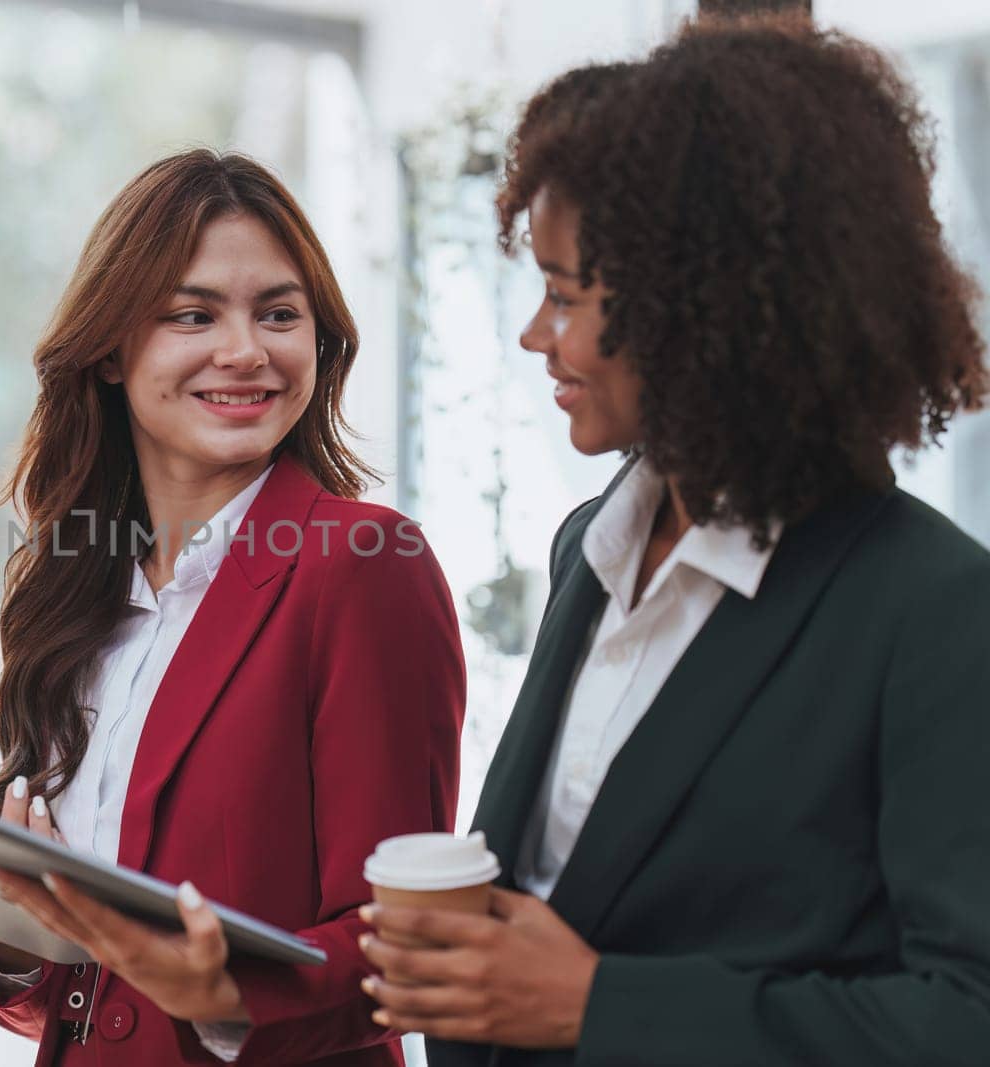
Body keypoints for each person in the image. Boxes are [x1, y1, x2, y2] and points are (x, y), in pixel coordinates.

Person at [359, 14, 990, 1066]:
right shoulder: (590, 549)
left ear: (706, 313)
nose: (533, 334)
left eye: (564, 295)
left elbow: (965, 1017)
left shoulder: (931, 612)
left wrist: (599, 1005)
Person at [0, 149, 466, 1066]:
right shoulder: (79, 587)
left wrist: (221, 991)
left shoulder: (363, 567)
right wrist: (9, 931)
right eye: (194, 315)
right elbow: (90, 999)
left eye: (278, 314)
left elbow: (403, 941)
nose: (245, 351)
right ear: (108, 350)